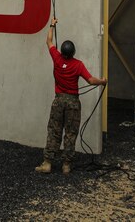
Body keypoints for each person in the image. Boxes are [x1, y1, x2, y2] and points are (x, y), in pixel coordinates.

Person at [35, 18, 106, 175]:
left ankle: (47, 163)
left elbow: (48, 41)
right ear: (73, 53)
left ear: (62, 51)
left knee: (54, 130)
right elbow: (90, 80)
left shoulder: (56, 58)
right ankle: (66, 165)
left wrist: (52, 24)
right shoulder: (78, 64)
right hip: (73, 102)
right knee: (70, 132)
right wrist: (102, 81)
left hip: (58, 101)